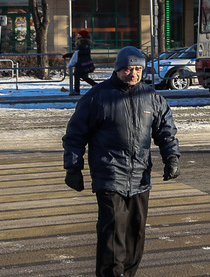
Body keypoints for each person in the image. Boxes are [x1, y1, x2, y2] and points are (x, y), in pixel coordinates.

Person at [62, 46, 181, 277]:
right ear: (117, 69)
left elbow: (166, 131)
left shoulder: (151, 97)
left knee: (135, 234)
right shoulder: (97, 97)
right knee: (113, 234)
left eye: (138, 69)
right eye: (128, 69)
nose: (133, 74)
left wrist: (172, 157)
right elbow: (75, 135)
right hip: (109, 176)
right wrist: (72, 168)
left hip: (140, 177)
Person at [67, 30, 97, 96]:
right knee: (82, 76)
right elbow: (78, 53)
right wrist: (68, 55)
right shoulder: (83, 44)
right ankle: (95, 85)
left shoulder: (84, 44)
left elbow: (80, 53)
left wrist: (70, 54)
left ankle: (77, 90)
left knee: (79, 76)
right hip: (82, 63)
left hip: (82, 64)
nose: (77, 37)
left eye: (78, 36)